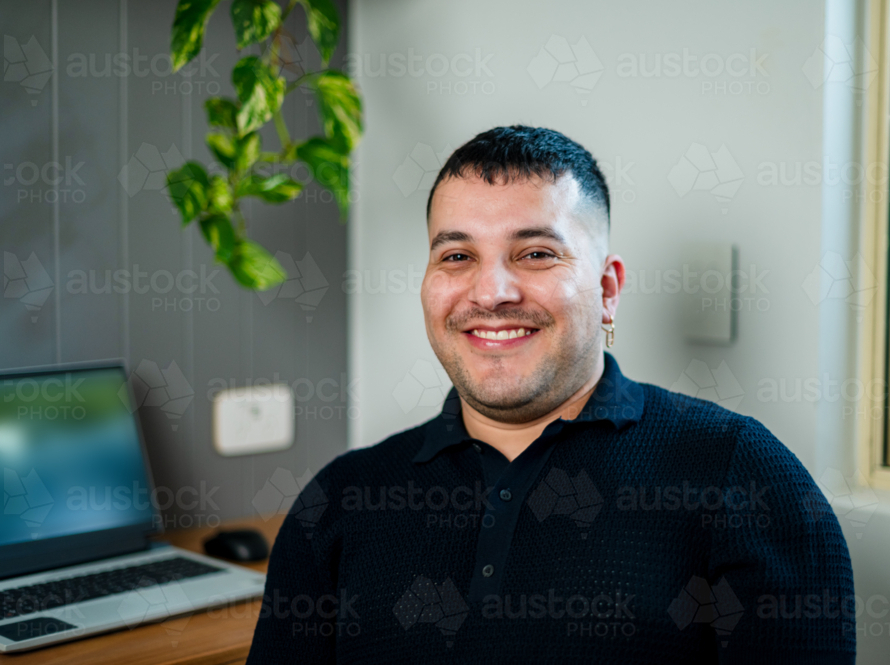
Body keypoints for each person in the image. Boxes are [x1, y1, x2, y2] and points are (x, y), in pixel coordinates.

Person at [247, 126, 856, 664]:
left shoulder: (742, 477)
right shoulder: (338, 502)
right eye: (457, 255)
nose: (492, 292)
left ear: (607, 289)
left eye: (536, 253)